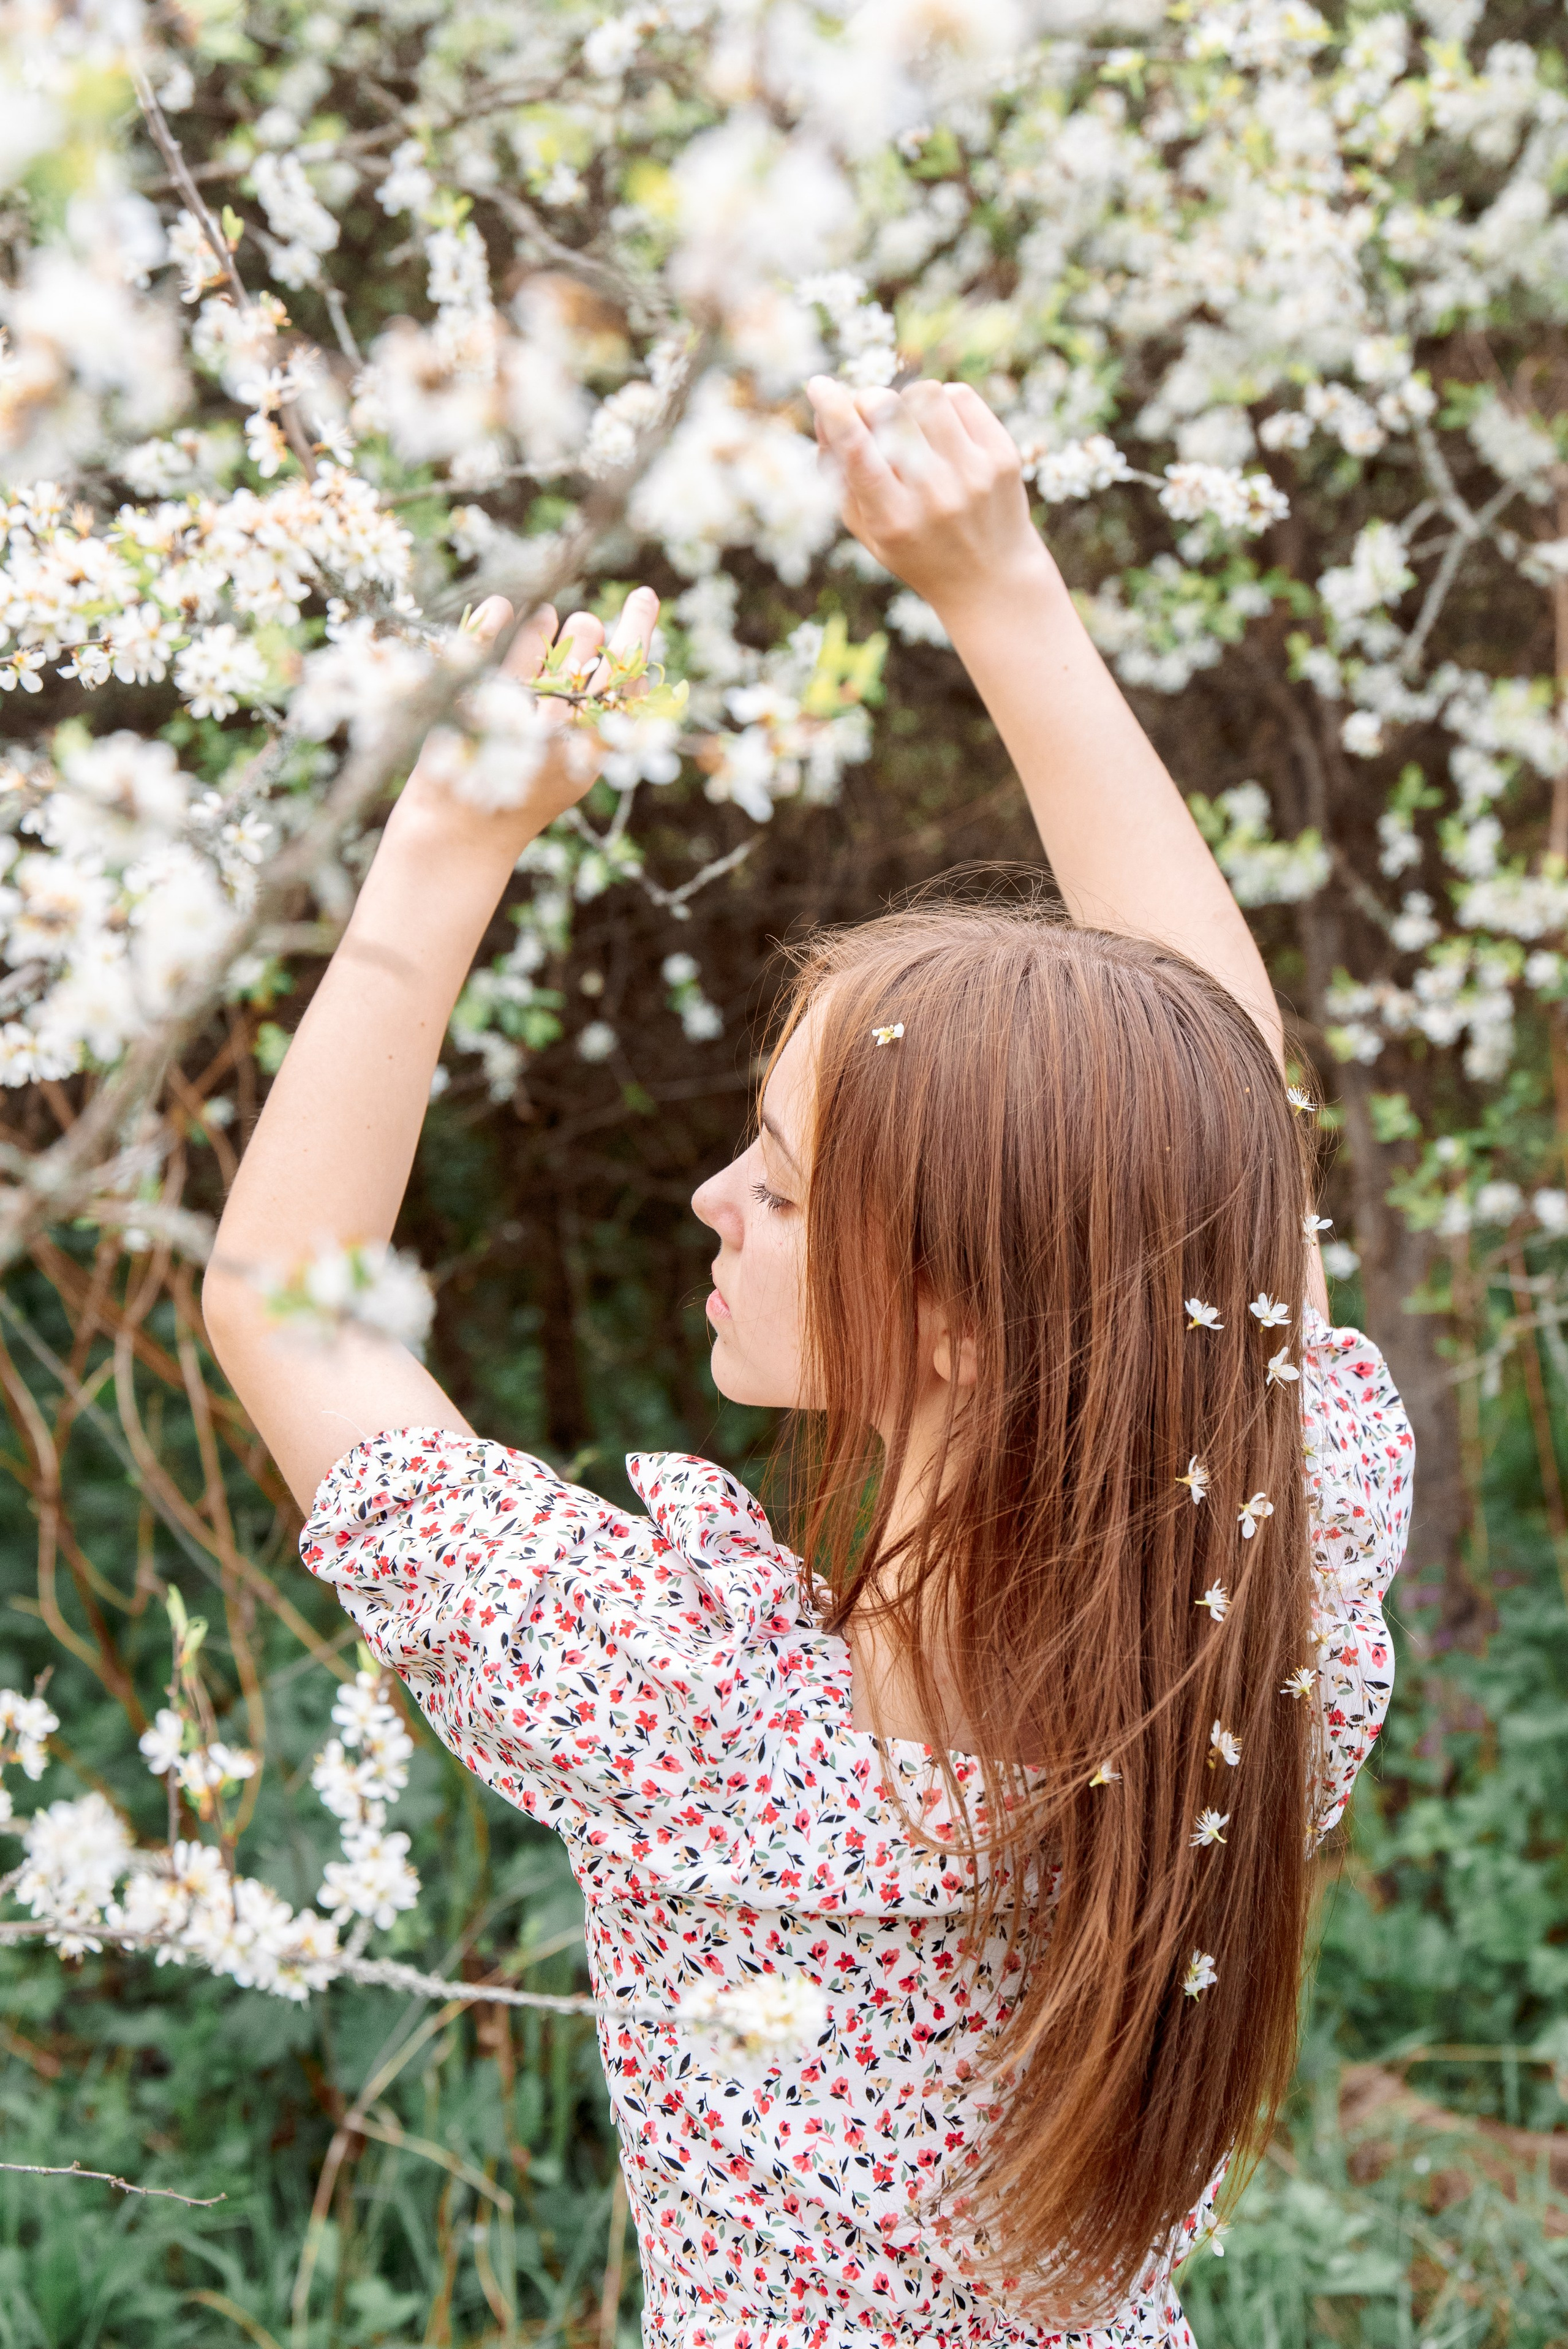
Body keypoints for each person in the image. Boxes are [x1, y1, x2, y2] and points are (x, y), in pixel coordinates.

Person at [203, 378, 1412, 2347]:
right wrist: (1002, 588)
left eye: (775, 1180)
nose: (708, 1200)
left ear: (950, 1312)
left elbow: (277, 1292)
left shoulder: (690, 1718)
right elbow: (1224, 1135)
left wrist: (445, 852)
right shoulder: (1260, 1616)